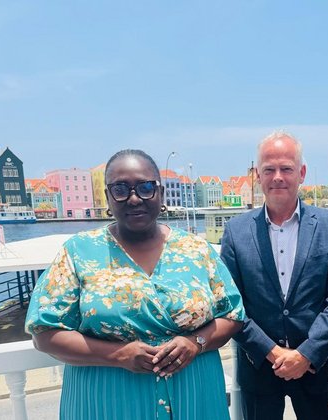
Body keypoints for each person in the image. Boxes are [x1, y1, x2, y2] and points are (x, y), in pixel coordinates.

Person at [25, 149, 245, 420]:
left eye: (145, 187)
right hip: (107, 400)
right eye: (120, 189)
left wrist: (196, 342)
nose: (134, 198)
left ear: (160, 193)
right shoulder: (79, 251)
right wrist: (116, 354)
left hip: (194, 396)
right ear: (108, 196)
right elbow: (44, 333)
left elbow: (232, 315)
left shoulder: (196, 249)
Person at [220, 131, 328, 420]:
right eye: (269, 169)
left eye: (286, 168)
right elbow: (230, 303)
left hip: (316, 368)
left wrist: (307, 353)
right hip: (258, 368)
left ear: (301, 173)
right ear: (258, 175)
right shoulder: (236, 232)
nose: (277, 177)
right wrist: (271, 351)